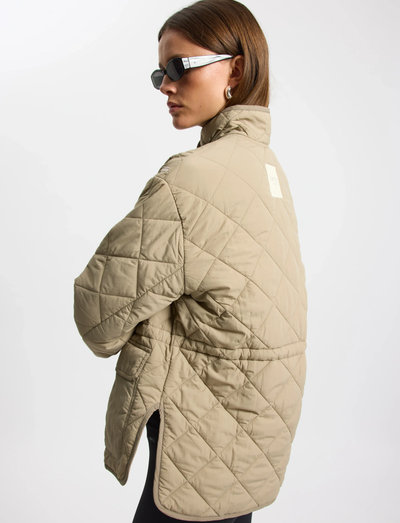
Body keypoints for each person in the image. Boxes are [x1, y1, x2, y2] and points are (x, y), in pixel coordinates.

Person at [73, 1, 308, 522]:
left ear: (236, 70)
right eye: (160, 72)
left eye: (179, 67)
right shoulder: (268, 169)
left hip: (196, 437)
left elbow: (96, 317)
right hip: (248, 437)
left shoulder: (194, 178)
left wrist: (155, 318)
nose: (166, 85)